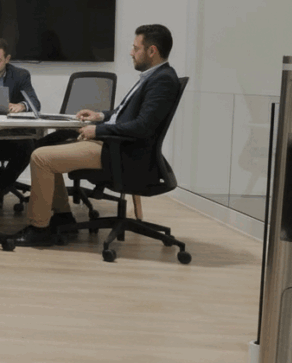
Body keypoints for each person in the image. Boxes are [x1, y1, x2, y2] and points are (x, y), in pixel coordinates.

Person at [12, 24, 179, 247]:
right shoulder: (153, 76)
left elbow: (142, 127)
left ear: (152, 51)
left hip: (123, 153)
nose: (131, 52)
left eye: (135, 48)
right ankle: (63, 216)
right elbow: (122, 114)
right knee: (46, 149)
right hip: (115, 144)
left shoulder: (162, 80)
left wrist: (97, 131)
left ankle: (39, 229)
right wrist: (99, 115)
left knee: (41, 158)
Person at [0, 37, 42, 209]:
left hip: (9, 137)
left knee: (28, 147)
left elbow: (35, 103)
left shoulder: (20, 75)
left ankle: (0, 188)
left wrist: (21, 106)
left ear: (7, 59)